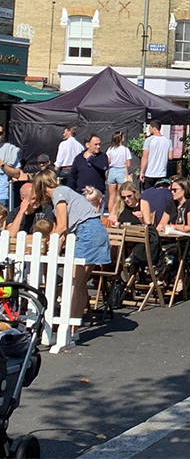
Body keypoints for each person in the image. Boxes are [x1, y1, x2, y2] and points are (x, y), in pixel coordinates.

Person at [33, 170, 110, 337]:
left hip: (87, 231)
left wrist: (49, 243)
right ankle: (73, 328)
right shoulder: (66, 192)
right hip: (95, 230)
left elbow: (61, 226)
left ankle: (66, 328)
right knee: (80, 283)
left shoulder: (59, 193)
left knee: (73, 282)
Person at [139, 121, 173, 190]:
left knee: (148, 196)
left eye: (150, 128)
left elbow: (145, 157)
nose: (149, 130)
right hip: (162, 174)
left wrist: (142, 172)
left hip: (150, 173)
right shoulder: (168, 141)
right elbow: (170, 157)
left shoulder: (148, 140)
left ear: (154, 128)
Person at [106, 131, 132, 213]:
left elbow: (108, 161)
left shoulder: (110, 149)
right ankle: (119, 213)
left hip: (112, 171)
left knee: (111, 196)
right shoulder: (125, 150)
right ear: (121, 138)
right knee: (121, 195)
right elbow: (128, 164)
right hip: (121, 171)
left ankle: (110, 215)